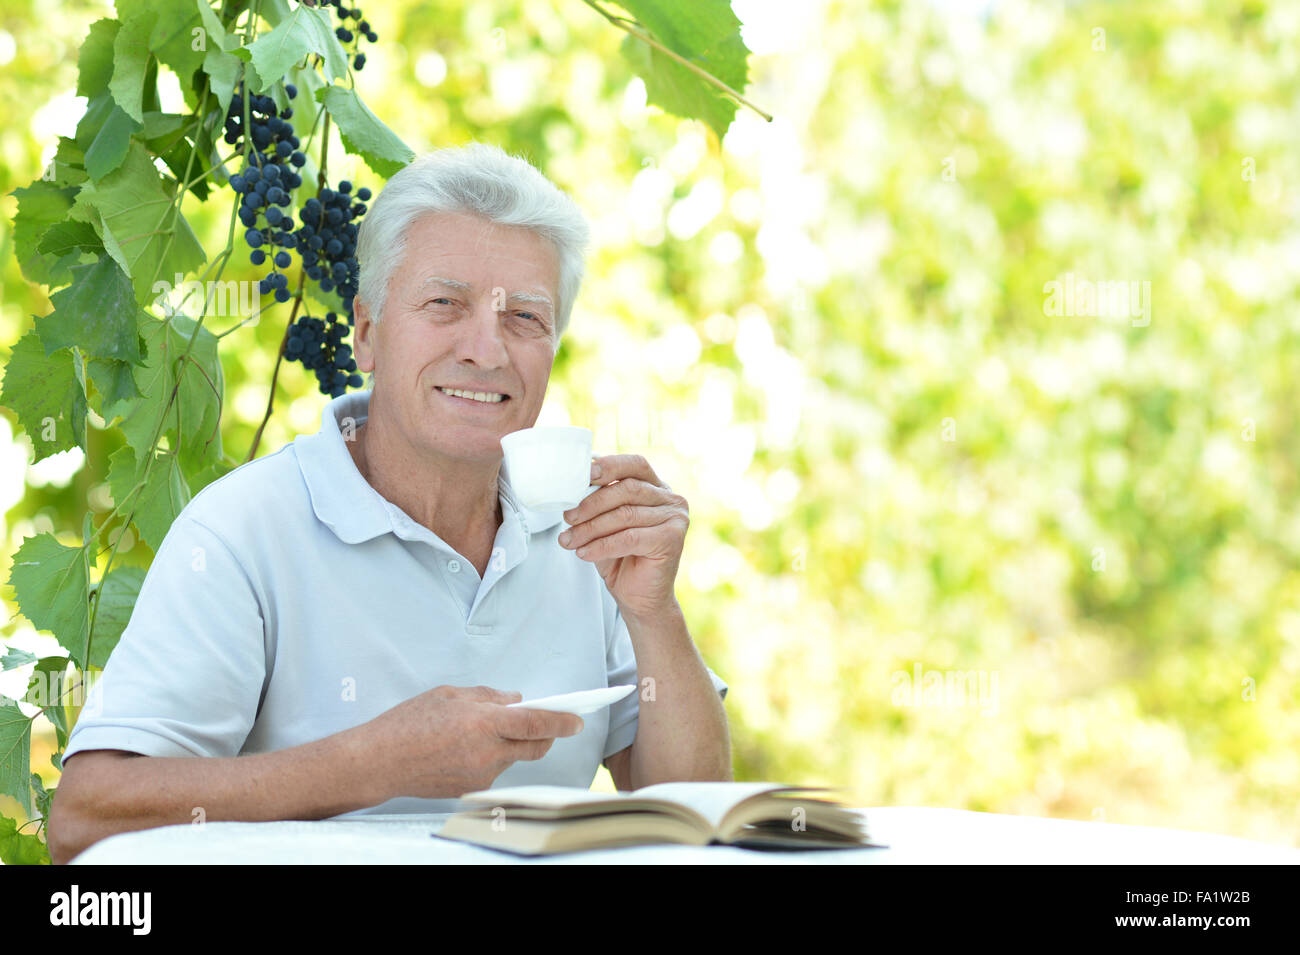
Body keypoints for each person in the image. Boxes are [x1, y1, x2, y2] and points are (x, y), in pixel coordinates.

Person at [48, 143, 730, 865]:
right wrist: (373, 763)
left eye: (525, 318)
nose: (486, 349)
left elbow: (695, 824)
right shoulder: (242, 531)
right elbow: (86, 819)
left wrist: (655, 613)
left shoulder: (587, 534)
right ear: (367, 331)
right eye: (445, 303)